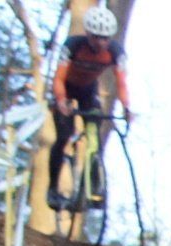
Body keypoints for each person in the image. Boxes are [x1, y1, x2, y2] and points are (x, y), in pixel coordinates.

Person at [47, 5, 131, 212]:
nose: (101, 42)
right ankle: (52, 188)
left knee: (95, 139)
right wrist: (60, 101)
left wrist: (126, 107)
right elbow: (58, 78)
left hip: (88, 91)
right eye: (96, 37)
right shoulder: (73, 46)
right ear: (87, 34)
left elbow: (121, 84)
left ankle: (92, 188)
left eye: (105, 38)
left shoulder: (116, 52)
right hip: (66, 88)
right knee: (64, 136)